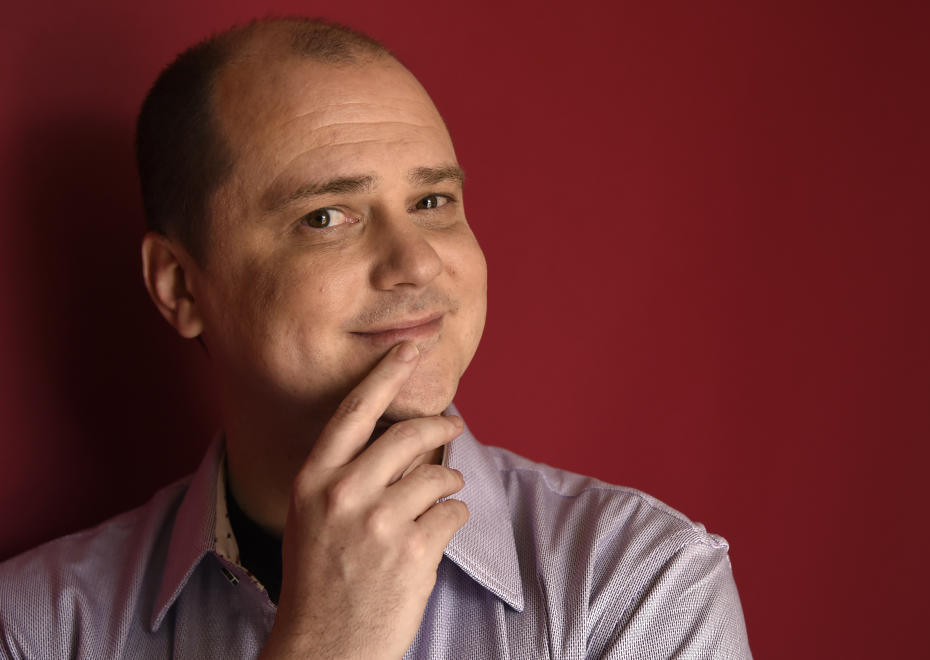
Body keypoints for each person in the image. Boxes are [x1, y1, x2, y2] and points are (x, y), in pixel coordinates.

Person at [0, 17, 751, 659]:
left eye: (432, 200)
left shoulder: (636, 581)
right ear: (180, 286)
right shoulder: (36, 627)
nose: (417, 261)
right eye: (326, 215)